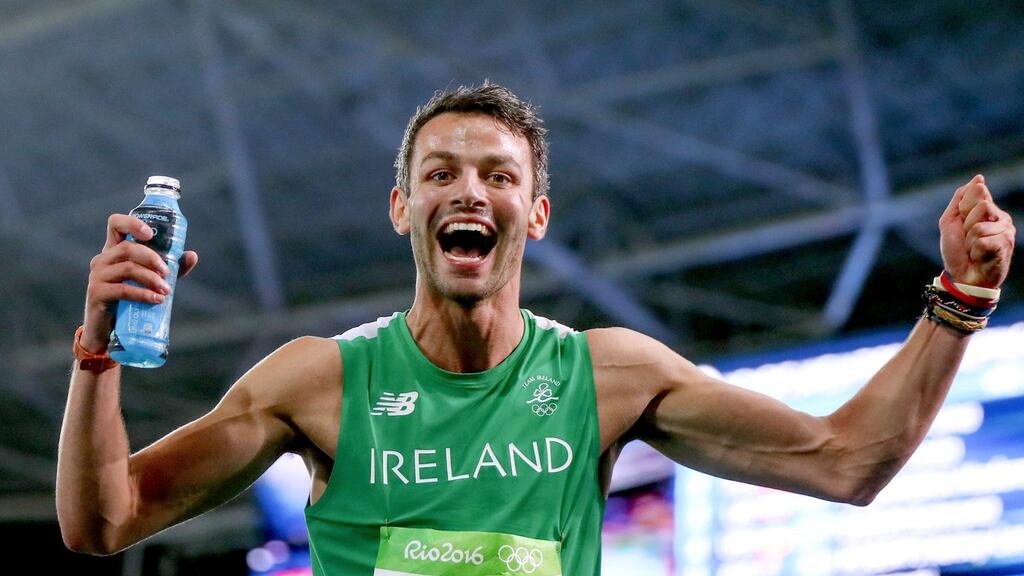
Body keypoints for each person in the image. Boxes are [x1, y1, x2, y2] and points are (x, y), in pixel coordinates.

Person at [57, 83, 1016, 575]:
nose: (469, 189)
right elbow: (103, 523)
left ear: (536, 214)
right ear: (401, 208)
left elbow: (847, 461)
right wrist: (99, 352)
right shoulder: (316, 381)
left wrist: (961, 302)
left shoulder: (607, 376)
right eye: (440, 174)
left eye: (498, 175)